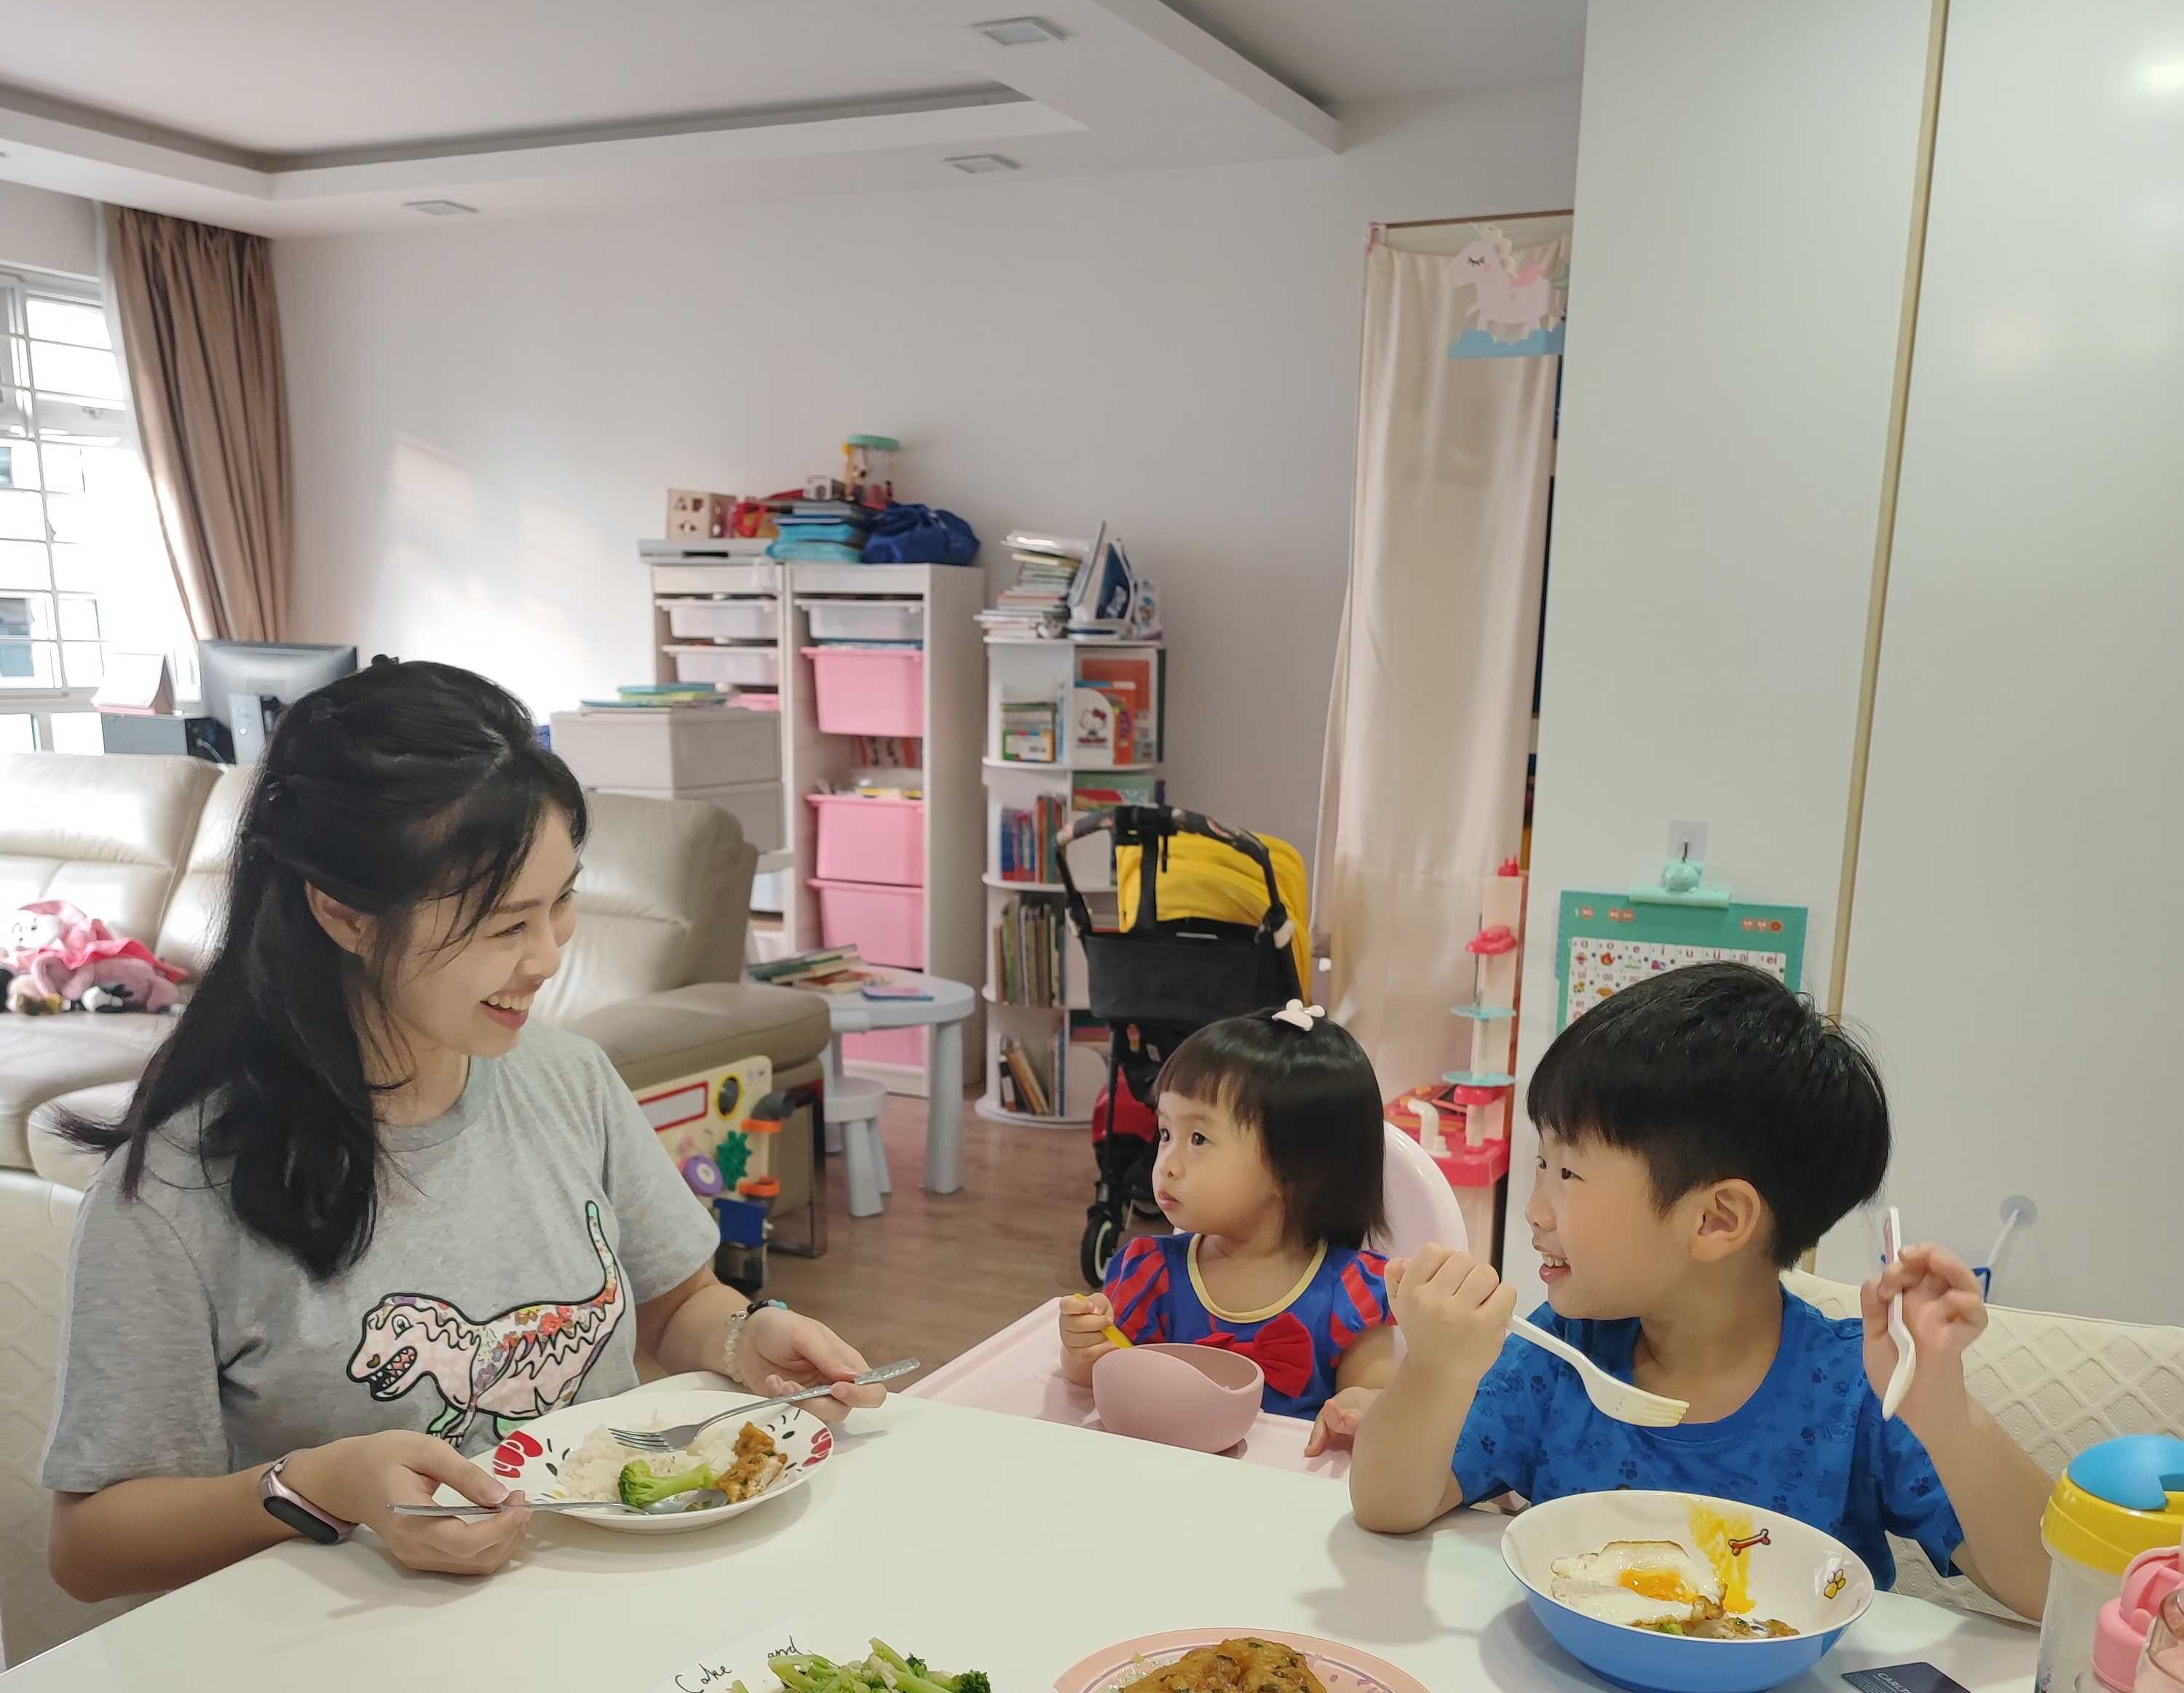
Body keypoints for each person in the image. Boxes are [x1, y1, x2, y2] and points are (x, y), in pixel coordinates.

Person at [44, 661, 882, 1603]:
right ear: (344, 913)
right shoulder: (175, 1192)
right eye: (503, 924)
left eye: (563, 903)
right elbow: (91, 1549)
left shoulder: (566, 1080)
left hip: (597, 1605)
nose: (549, 956)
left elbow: (673, 1302)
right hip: (359, 1664)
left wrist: (744, 1338)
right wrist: (313, 1487)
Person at [1347, 963, 2052, 1618]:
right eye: (1543, 1160)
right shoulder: (1563, 1357)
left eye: (1568, 1173)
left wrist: (1945, 1413)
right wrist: (1435, 1368)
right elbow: (1386, 1505)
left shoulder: (1855, 1387)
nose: (1534, 1210)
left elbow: (2048, 1587)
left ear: (1717, 1219)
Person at [1059, 1002, 1398, 1452]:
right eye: (1165, 1135)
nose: (1167, 1166)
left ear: (1293, 1171)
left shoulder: (1356, 1292)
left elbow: (1379, 1401)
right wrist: (1080, 1348)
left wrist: (1363, 1405)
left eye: (1198, 1139)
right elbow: (1095, 1381)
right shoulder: (1148, 1274)